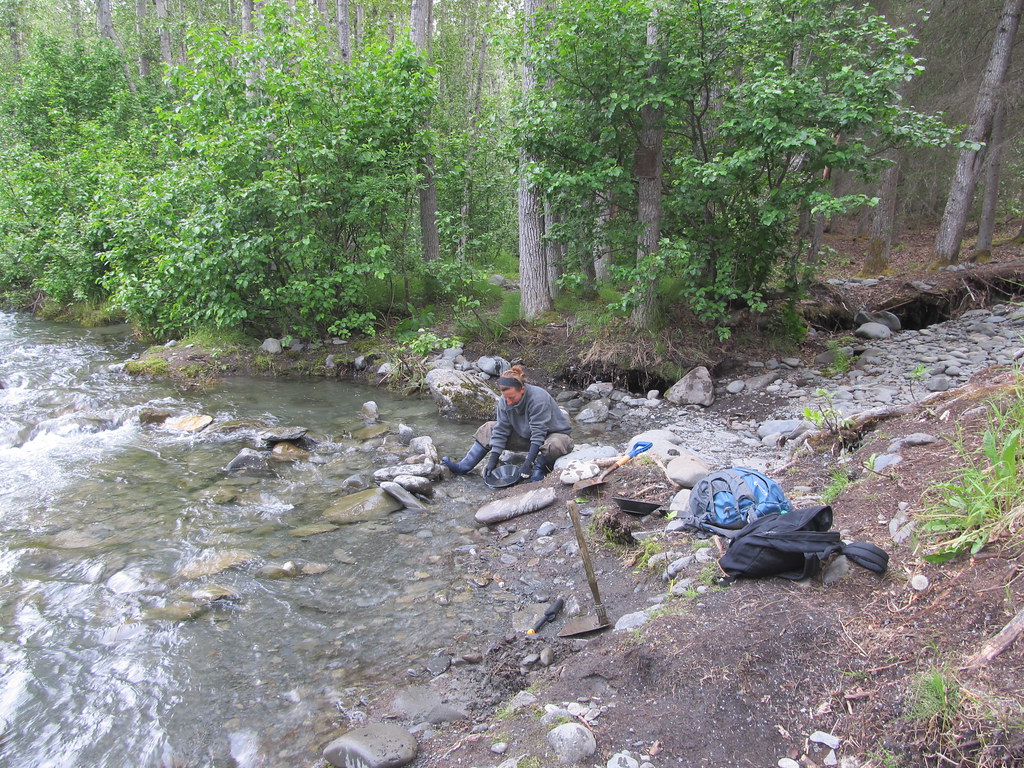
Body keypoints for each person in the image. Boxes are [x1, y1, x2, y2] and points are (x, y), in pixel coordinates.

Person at [442, 365, 574, 482]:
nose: (508, 402)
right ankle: (464, 466)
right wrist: (493, 460)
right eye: (505, 398)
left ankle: (539, 468)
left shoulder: (538, 398)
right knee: (489, 428)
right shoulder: (504, 400)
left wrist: (528, 463)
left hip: (551, 436)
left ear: (522, 389)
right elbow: (501, 430)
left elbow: (538, 433)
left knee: (555, 444)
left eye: (511, 397)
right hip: (526, 436)